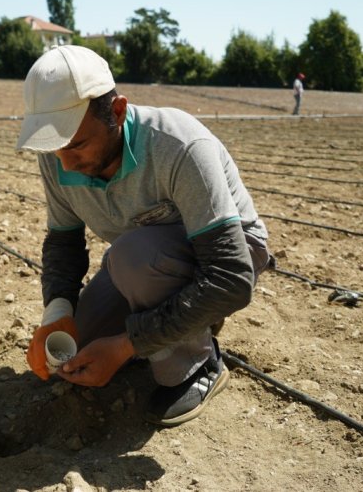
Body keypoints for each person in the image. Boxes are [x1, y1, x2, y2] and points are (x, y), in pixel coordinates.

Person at [15, 45, 272, 427]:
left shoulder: (178, 146)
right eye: (56, 149)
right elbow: (63, 243)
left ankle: (198, 366)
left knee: (132, 259)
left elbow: (230, 276)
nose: (66, 163)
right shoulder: (58, 154)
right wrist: (57, 314)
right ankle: (179, 320)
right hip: (146, 260)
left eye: (78, 145)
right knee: (75, 352)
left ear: (116, 112)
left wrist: (126, 346)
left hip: (227, 255)